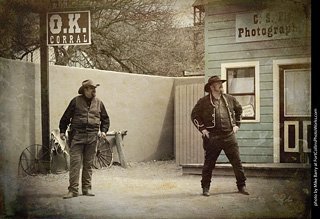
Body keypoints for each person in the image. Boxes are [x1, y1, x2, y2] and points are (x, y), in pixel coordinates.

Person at [191, 75, 249, 196]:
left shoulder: (229, 99)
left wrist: (237, 124)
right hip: (213, 137)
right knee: (209, 164)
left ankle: (242, 186)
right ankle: (205, 187)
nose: (221, 85)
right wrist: (203, 129)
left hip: (229, 136)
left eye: (221, 83)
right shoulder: (203, 101)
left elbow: (239, 110)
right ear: (212, 87)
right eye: (218, 83)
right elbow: (194, 115)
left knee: (237, 162)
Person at [59, 79, 110, 199]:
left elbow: (105, 119)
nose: (94, 91)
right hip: (77, 137)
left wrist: (103, 131)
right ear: (85, 89)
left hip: (92, 137)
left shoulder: (99, 103)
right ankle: (73, 191)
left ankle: (86, 189)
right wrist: (62, 131)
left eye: (95, 88)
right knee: (75, 164)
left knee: (88, 164)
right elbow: (65, 118)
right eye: (92, 88)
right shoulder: (75, 101)